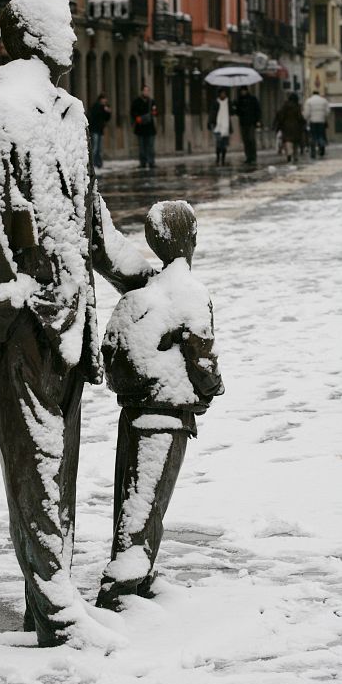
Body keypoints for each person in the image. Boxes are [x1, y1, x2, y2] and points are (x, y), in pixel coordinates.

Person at [0, 0, 153, 648]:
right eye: (64, 23)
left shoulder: (66, 116)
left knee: (58, 468)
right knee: (34, 469)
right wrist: (18, 315)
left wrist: (140, 265)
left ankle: (48, 605)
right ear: (35, 34)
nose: (73, 33)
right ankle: (61, 613)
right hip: (24, 328)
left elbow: (88, 224)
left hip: (71, 323)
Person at [95, 200, 224, 612]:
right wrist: (214, 389)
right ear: (191, 240)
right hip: (168, 413)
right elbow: (201, 358)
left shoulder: (145, 291)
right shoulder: (189, 291)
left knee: (130, 498)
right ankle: (122, 589)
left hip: (133, 410)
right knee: (147, 503)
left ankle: (137, 575)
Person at [130, 85, 157, 169]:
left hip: (150, 128)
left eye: (147, 91)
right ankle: (143, 162)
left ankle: (151, 162)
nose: (146, 92)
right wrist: (137, 118)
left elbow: (156, 112)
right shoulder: (137, 101)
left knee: (150, 146)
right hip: (140, 127)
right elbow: (132, 112)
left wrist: (154, 112)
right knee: (142, 147)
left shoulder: (151, 101)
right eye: (145, 91)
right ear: (142, 91)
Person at [274, 93, 305, 163]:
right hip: (296, 127)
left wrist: (279, 125)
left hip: (286, 127)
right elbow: (300, 117)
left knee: (288, 141)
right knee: (295, 142)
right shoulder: (297, 107)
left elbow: (280, 116)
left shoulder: (284, 106)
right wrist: (303, 123)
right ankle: (295, 156)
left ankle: (289, 153)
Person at [234, 86, 261, 164]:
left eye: (244, 91)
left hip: (251, 122)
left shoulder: (252, 99)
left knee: (251, 139)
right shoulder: (239, 100)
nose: (243, 92)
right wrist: (236, 106)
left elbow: (257, 110)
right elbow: (237, 112)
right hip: (243, 123)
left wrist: (258, 120)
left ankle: (253, 156)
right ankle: (248, 156)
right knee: (245, 140)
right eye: (241, 91)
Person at [208, 89, 232, 165]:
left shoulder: (228, 103)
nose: (223, 95)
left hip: (226, 126)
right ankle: (218, 158)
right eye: (222, 94)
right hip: (218, 126)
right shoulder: (216, 103)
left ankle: (223, 159)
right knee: (219, 144)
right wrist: (211, 122)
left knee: (224, 145)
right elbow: (212, 113)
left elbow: (232, 111)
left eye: (224, 93)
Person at [303, 89, 330, 158]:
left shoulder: (309, 101)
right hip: (321, 121)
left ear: (313, 94)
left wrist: (306, 119)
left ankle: (313, 152)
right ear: (318, 94)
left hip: (313, 121)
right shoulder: (324, 100)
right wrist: (324, 117)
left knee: (313, 137)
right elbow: (327, 111)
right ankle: (321, 149)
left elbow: (307, 113)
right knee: (321, 135)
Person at [88, 93, 111, 169]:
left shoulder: (105, 107)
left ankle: (99, 164)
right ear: (100, 99)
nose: (105, 100)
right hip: (95, 130)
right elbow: (94, 116)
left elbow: (107, 118)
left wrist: (108, 112)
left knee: (100, 148)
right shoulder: (96, 106)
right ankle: (93, 164)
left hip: (100, 130)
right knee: (95, 148)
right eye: (104, 99)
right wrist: (103, 109)